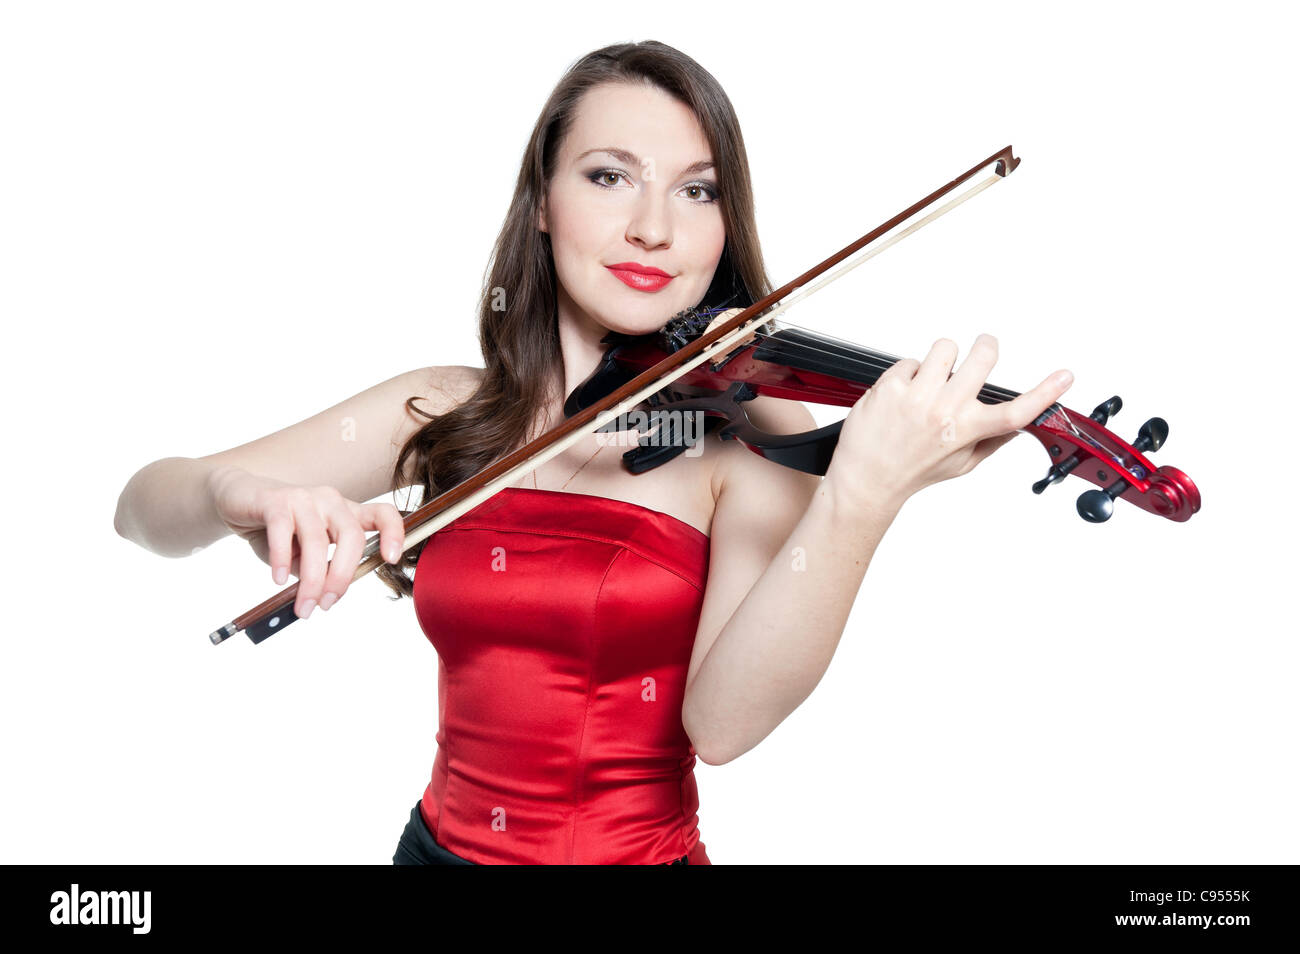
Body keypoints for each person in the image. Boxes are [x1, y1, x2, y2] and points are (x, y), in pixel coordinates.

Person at [114, 40, 1073, 865]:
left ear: (725, 223)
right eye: (609, 176)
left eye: (696, 190)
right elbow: (144, 512)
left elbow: (723, 726)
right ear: (542, 201)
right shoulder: (444, 407)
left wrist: (861, 497)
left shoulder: (747, 437)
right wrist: (238, 493)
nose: (653, 227)